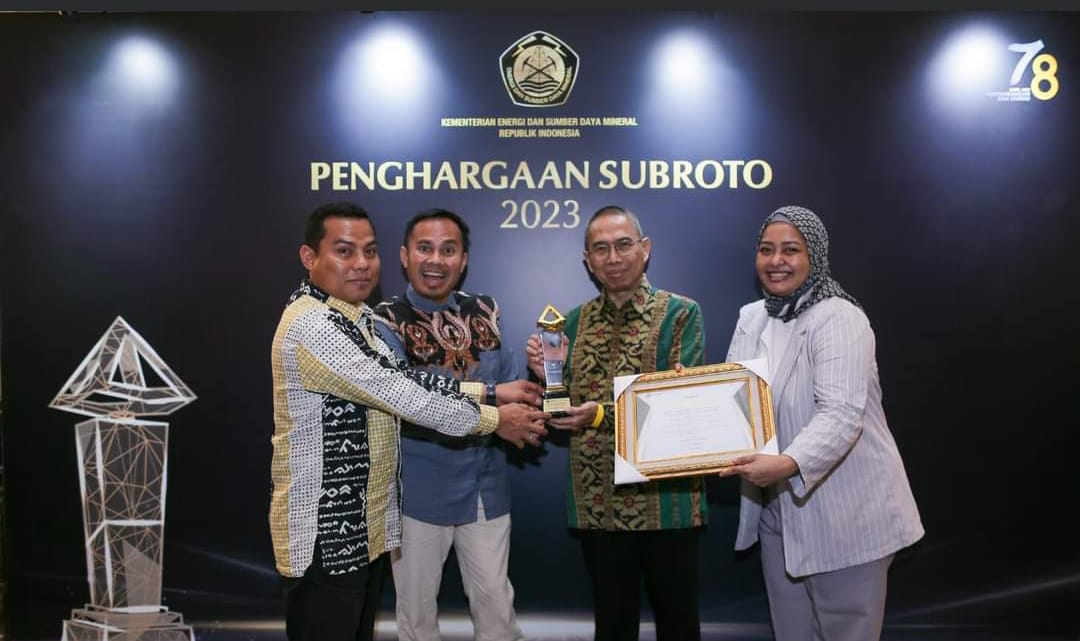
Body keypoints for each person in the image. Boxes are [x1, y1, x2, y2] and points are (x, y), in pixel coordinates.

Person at [269, 201, 548, 641]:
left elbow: (407, 381)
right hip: (328, 526)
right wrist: (495, 415)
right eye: (344, 251)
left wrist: (499, 392)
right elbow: (406, 396)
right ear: (310, 257)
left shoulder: (356, 318)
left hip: (361, 524)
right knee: (399, 620)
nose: (361, 264)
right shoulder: (318, 326)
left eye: (368, 251)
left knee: (493, 607)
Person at [718, 205, 924, 641]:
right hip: (777, 510)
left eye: (791, 250)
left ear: (815, 256)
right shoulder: (751, 317)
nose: (776, 261)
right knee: (792, 632)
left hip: (846, 512)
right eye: (766, 249)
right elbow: (735, 395)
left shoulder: (840, 317)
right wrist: (694, 393)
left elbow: (841, 414)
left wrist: (787, 463)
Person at [526, 205, 707, 641]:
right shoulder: (570, 323)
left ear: (645, 249)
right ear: (587, 260)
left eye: (623, 245)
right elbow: (563, 408)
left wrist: (599, 414)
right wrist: (547, 377)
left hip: (668, 500)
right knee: (612, 624)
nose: (613, 257)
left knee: (679, 622)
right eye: (601, 248)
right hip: (598, 502)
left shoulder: (681, 314)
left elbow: (679, 402)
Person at [373, 209, 539, 641]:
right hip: (418, 490)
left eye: (448, 250)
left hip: (485, 486)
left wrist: (542, 376)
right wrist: (494, 405)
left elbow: (512, 385)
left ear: (463, 260)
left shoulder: (485, 309)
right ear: (405, 256)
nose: (436, 260)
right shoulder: (385, 321)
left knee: (497, 607)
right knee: (416, 615)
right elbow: (410, 398)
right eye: (425, 248)